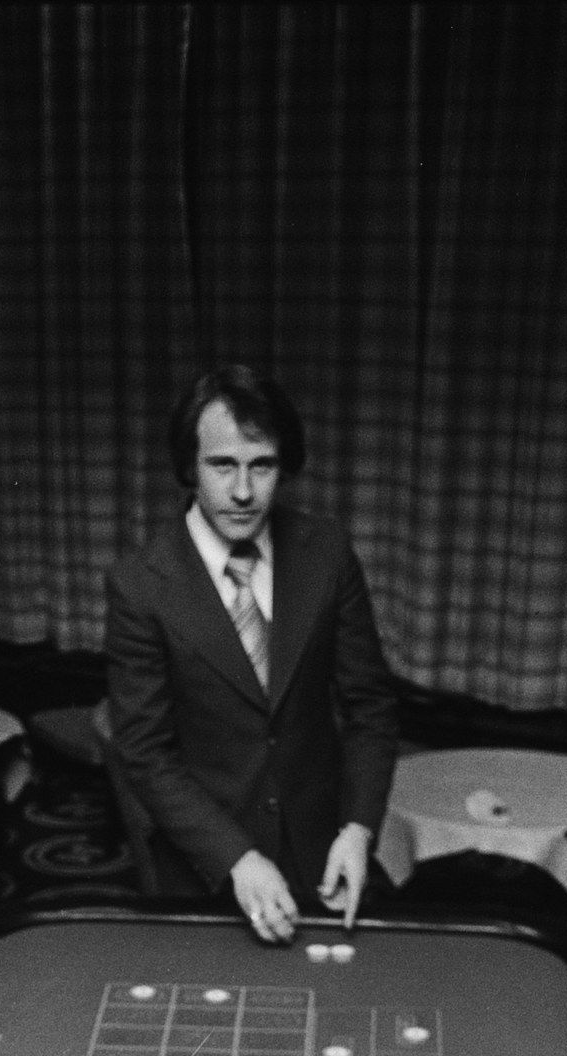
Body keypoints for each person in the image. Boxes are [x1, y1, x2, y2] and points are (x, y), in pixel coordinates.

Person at [104, 365, 398, 942]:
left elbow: (370, 707)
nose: (243, 491)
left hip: (325, 850)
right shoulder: (139, 584)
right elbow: (144, 751)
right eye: (222, 465)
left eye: (260, 466)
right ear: (190, 467)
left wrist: (359, 828)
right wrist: (235, 858)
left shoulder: (328, 553)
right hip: (206, 864)